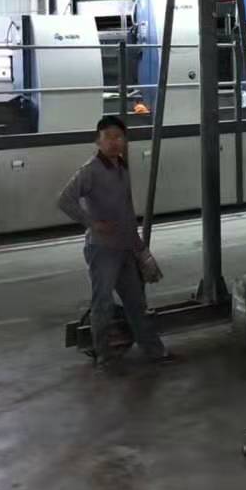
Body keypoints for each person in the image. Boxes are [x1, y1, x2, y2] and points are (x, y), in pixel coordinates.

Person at [57, 115, 176, 369]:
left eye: (118, 137)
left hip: (124, 248)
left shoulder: (121, 168)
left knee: (136, 303)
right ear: (98, 141)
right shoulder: (90, 170)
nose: (114, 142)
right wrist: (93, 223)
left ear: (125, 140)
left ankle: (154, 351)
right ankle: (104, 356)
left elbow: (126, 211)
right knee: (103, 303)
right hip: (102, 249)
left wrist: (139, 248)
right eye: (108, 137)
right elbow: (64, 200)